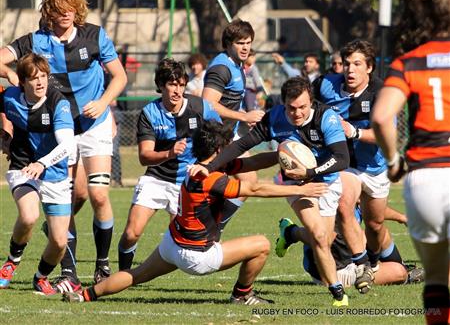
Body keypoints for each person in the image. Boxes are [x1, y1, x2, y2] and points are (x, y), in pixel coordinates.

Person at [62, 119, 329, 304]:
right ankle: (242, 295)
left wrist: (282, 153)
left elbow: (250, 162)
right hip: (197, 256)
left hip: (172, 244)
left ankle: (84, 295)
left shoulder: (202, 166)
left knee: (137, 275)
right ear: (218, 149)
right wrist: (304, 190)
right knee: (261, 244)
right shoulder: (209, 178)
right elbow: (256, 189)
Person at [0, 0, 127, 289]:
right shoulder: (35, 41)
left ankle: (102, 266)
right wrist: (11, 73)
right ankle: (67, 270)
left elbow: (119, 77)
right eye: (59, 9)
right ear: (49, 12)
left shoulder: (95, 35)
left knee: (97, 195)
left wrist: (104, 102)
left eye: (71, 8)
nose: (66, 13)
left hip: (93, 123)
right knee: (73, 196)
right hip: (58, 131)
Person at [190, 76, 351, 306]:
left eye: (303, 107)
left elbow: (342, 158)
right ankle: (338, 295)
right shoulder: (275, 117)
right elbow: (242, 144)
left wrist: (311, 171)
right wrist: (210, 166)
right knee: (320, 236)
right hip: (295, 184)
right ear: (283, 103)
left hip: (327, 181)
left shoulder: (327, 118)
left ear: (312, 102)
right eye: (292, 108)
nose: (297, 113)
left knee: (324, 239)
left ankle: (291, 233)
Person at [372, 0, 450, 323]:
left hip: (425, 179)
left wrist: (393, 161)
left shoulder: (408, 62)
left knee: (435, 277)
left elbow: (381, 118)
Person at [117, 58, 221, 270]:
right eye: (172, 84)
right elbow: (144, 156)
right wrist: (169, 153)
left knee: (186, 245)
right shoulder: (150, 113)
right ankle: (124, 274)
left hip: (186, 184)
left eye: (181, 85)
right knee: (131, 233)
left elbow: (220, 136)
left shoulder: (199, 106)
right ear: (161, 85)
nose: (178, 90)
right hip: (156, 178)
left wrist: (208, 163)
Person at [316, 39, 400, 294]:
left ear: (370, 67)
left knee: (374, 225)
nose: (350, 70)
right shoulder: (324, 85)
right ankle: (361, 264)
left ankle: (373, 260)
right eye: (346, 64)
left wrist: (353, 131)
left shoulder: (381, 93)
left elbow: (386, 135)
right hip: (344, 165)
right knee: (344, 205)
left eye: (357, 64)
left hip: (373, 167)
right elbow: (304, 106)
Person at [0, 53, 75, 295]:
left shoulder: (58, 103)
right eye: (34, 78)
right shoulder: (10, 97)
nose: (41, 82)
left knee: (60, 242)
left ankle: (41, 277)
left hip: (54, 173)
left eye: (43, 76)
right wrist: (3, 135)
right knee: (29, 215)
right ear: (22, 82)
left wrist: (42, 164)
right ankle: (12, 261)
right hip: (23, 168)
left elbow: (67, 145)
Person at [202, 19, 264, 232]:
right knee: (204, 188)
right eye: (240, 43)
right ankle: (205, 228)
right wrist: (243, 117)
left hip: (230, 135)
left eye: (248, 42)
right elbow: (208, 104)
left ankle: (215, 226)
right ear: (228, 44)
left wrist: (243, 116)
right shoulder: (222, 67)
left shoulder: (238, 66)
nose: (246, 47)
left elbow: (228, 101)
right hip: (213, 137)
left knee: (249, 183)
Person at [278, 205, 423, 288]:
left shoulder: (350, 192)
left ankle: (290, 232)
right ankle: (406, 276)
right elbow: (322, 238)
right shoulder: (334, 204)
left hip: (348, 256)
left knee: (379, 231)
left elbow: (374, 209)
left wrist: (402, 218)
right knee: (398, 272)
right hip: (334, 271)